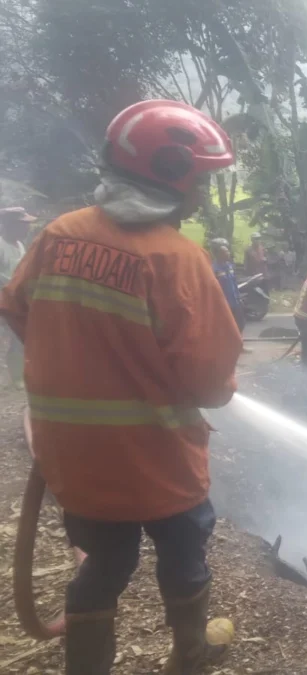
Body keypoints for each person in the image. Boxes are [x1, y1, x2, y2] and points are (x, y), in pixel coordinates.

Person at [0, 100, 243, 675]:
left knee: (104, 564)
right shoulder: (177, 258)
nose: (203, 194)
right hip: (161, 463)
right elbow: (210, 384)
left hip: (77, 461)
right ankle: (190, 655)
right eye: (201, 181)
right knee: (183, 558)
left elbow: (18, 309)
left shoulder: (58, 235)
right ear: (171, 172)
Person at [0, 207, 35, 387]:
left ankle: (16, 376)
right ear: (10, 226)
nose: (26, 228)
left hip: (14, 298)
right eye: (23, 225)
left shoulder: (19, 245)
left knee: (16, 337)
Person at [209, 237, 244, 333]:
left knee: (240, 325)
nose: (228, 253)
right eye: (225, 252)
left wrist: (239, 298)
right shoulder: (214, 269)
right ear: (218, 254)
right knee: (227, 329)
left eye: (228, 251)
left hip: (235, 302)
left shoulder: (230, 266)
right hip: (224, 304)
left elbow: (234, 283)